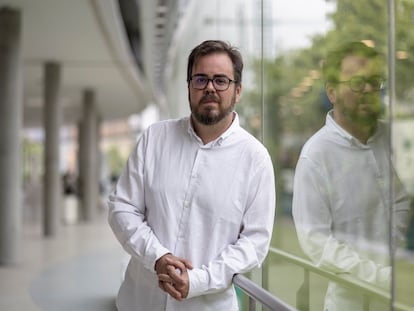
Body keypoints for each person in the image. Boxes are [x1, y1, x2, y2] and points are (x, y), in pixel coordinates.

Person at [108, 40, 276, 311]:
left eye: (221, 80)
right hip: (140, 303)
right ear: (189, 86)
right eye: (200, 79)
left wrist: (198, 280)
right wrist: (157, 256)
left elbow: (255, 243)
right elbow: (122, 207)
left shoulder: (255, 159)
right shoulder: (154, 138)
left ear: (238, 90)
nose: (210, 87)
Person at [292, 41, 411, 311]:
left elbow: (401, 200)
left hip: (399, 293)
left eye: (374, 81)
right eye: (357, 82)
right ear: (332, 92)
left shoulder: (390, 137)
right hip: (350, 302)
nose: (368, 90)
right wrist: (380, 276)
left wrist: (389, 253)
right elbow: (317, 244)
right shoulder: (316, 155)